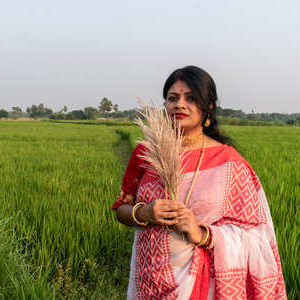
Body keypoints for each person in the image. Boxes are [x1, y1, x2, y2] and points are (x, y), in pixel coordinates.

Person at [112, 66, 286, 299]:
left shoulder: (229, 161)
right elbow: (121, 208)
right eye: (172, 98)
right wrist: (144, 212)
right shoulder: (146, 152)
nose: (179, 104)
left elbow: (257, 234)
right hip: (149, 280)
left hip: (205, 284)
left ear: (208, 107)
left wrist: (202, 234)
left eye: (191, 98)